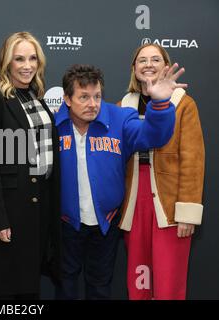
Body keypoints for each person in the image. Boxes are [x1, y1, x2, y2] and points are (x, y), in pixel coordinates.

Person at [54, 63, 186, 299]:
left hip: (106, 222)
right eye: (83, 97)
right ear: (67, 99)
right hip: (65, 224)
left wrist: (160, 104)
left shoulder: (120, 118)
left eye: (96, 96)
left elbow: (153, 135)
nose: (92, 104)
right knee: (66, 286)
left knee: (100, 286)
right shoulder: (52, 125)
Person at [118, 43, 205, 300]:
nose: (148, 64)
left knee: (168, 281)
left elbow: (193, 160)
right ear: (134, 69)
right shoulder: (123, 105)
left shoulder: (184, 104)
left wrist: (187, 211)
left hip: (169, 202)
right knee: (139, 277)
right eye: (142, 60)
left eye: (156, 59)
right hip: (134, 199)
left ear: (166, 66)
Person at [0, 31, 61, 300]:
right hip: (12, 206)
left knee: (29, 283)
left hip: (40, 204)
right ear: (7, 63)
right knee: (5, 284)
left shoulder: (37, 99)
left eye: (32, 58)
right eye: (19, 59)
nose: (27, 65)